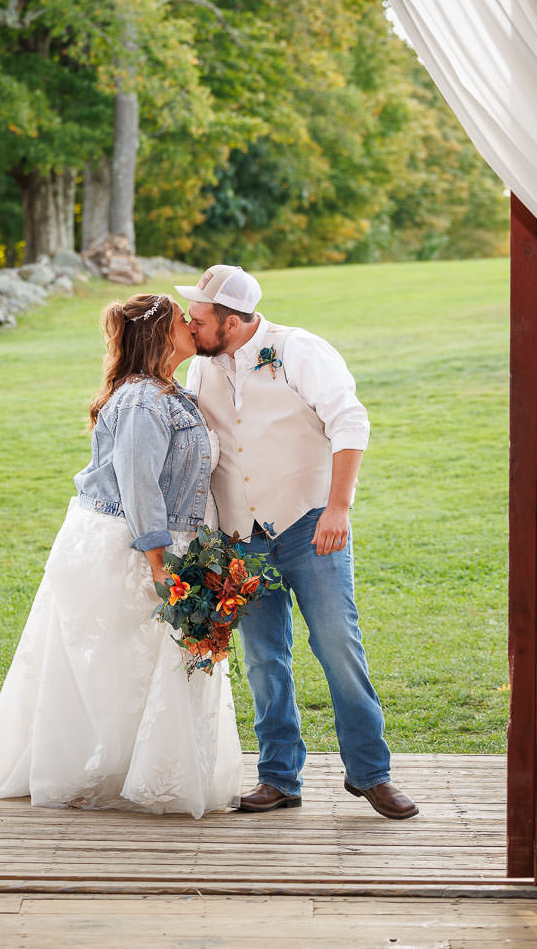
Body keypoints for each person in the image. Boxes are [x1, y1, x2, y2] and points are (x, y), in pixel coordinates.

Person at [0, 293, 243, 818]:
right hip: (132, 545)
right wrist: (159, 566)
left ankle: (148, 771)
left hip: (173, 542)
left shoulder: (171, 392)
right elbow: (140, 486)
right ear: (160, 335)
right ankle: (99, 772)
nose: (192, 325)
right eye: (181, 320)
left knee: (153, 663)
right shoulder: (142, 401)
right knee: (119, 663)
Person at [177, 265, 418, 819]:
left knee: (338, 647)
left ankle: (371, 774)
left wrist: (338, 508)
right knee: (265, 661)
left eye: (199, 318)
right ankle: (279, 777)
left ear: (232, 322)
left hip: (310, 526)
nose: (191, 326)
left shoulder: (298, 349)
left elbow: (350, 423)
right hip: (241, 537)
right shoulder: (201, 366)